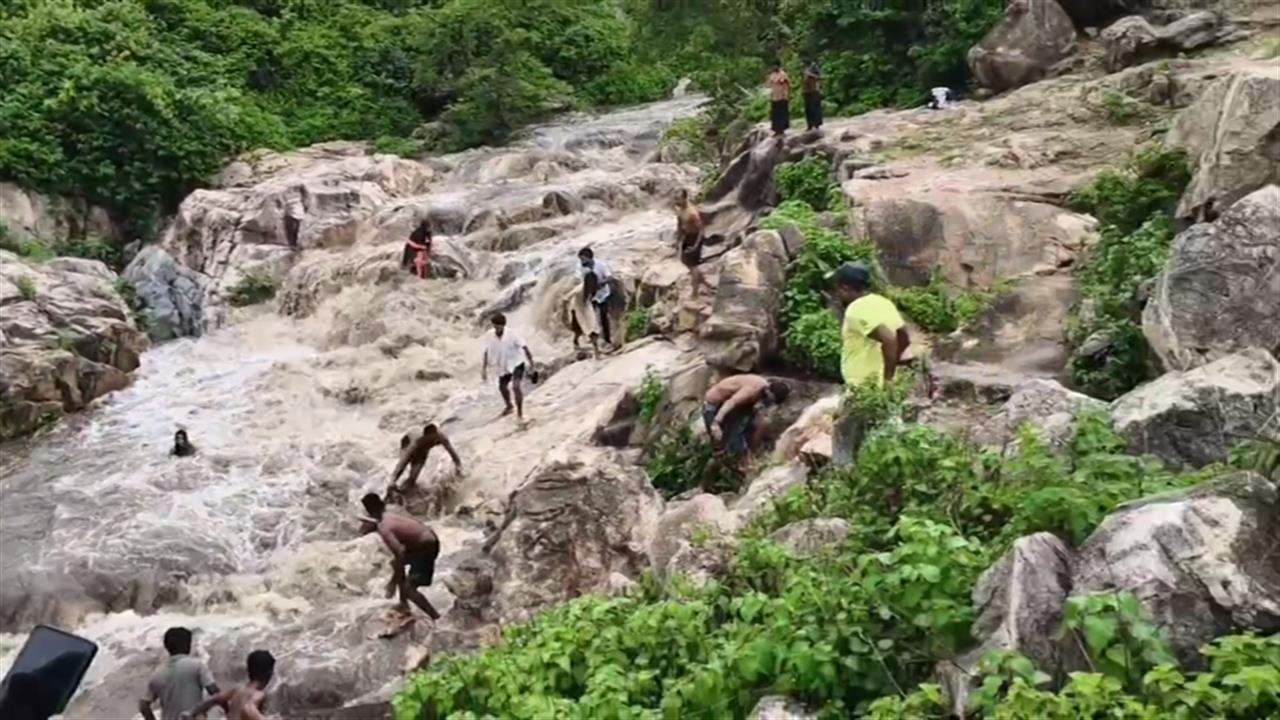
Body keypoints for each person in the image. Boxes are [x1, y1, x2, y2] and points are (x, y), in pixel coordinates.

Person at [828, 261, 910, 465]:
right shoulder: (883, 302)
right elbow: (903, 337)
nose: (836, 294)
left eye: (837, 288)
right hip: (884, 389)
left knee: (843, 437)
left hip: (862, 387)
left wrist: (888, 376)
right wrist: (891, 375)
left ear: (845, 288)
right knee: (889, 436)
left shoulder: (856, 310)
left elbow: (888, 337)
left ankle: (842, 482)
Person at [360, 493, 441, 620]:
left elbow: (400, 554)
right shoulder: (389, 515)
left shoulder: (384, 528)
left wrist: (392, 583)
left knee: (410, 589)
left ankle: (436, 617)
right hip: (426, 539)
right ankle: (404, 604)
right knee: (395, 564)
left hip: (426, 546)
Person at [702, 374, 791, 467]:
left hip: (740, 408)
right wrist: (716, 422)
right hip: (716, 405)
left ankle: (750, 454)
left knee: (760, 425)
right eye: (768, 398)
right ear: (767, 391)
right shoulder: (752, 389)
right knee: (720, 440)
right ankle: (731, 460)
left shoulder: (763, 391)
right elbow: (731, 402)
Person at [140, 627, 219, 720]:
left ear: (167, 647)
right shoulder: (197, 665)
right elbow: (215, 693)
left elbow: (144, 706)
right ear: (188, 645)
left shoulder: (158, 673)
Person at [181, 650, 273, 720]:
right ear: (269, 673)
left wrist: (192, 712)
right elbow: (248, 708)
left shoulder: (238, 689)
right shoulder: (258, 694)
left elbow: (215, 698)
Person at [481, 313, 535, 422]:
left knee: (515, 386)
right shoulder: (489, 335)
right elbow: (486, 351)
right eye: (494, 326)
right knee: (502, 387)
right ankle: (509, 406)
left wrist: (532, 364)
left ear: (503, 325)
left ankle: (520, 413)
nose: (496, 328)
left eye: (498, 326)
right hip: (503, 365)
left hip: (516, 362)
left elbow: (525, 348)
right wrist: (484, 368)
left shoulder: (513, 334)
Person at [390, 423, 462, 494]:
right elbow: (403, 462)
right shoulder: (416, 442)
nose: (432, 442)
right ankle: (392, 488)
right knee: (404, 466)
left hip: (422, 450)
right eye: (429, 441)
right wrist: (393, 480)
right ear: (425, 437)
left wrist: (459, 467)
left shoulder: (441, 437)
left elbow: (453, 453)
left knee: (413, 476)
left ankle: (406, 491)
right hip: (407, 443)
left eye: (433, 440)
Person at [577, 247, 613, 346]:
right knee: (592, 319)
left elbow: (609, 277)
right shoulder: (582, 268)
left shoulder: (601, 265)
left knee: (603, 317)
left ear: (589, 258)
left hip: (603, 294)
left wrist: (600, 283)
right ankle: (595, 340)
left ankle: (607, 339)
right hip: (591, 296)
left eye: (583, 259)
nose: (581, 261)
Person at [673, 189, 708, 294]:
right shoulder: (680, 210)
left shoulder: (692, 213)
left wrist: (696, 246)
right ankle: (699, 278)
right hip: (687, 236)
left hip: (695, 237)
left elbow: (701, 230)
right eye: (675, 199)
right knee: (684, 261)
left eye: (678, 199)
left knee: (693, 266)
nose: (676, 201)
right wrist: (677, 240)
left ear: (684, 198)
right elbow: (679, 225)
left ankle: (695, 294)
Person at [570, 272, 603, 356]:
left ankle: (596, 351)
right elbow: (566, 297)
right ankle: (576, 342)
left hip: (587, 309)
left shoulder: (592, 288)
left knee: (593, 329)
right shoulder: (579, 289)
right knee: (579, 331)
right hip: (577, 310)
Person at [767, 61, 791, 137]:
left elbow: (786, 83)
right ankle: (776, 130)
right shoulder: (772, 75)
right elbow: (769, 84)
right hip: (774, 97)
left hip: (782, 97)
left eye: (775, 66)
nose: (774, 68)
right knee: (775, 115)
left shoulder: (782, 74)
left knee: (782, 114)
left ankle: (782, 130)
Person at [803, 59, 823, 131]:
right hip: (807, 90)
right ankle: (810, 125)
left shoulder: (814, 67)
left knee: (814, 108)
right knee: (808, 109)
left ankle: (816, 124)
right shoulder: (805, 67)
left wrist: (810, 74)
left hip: (814, 90)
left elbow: (820, 77)